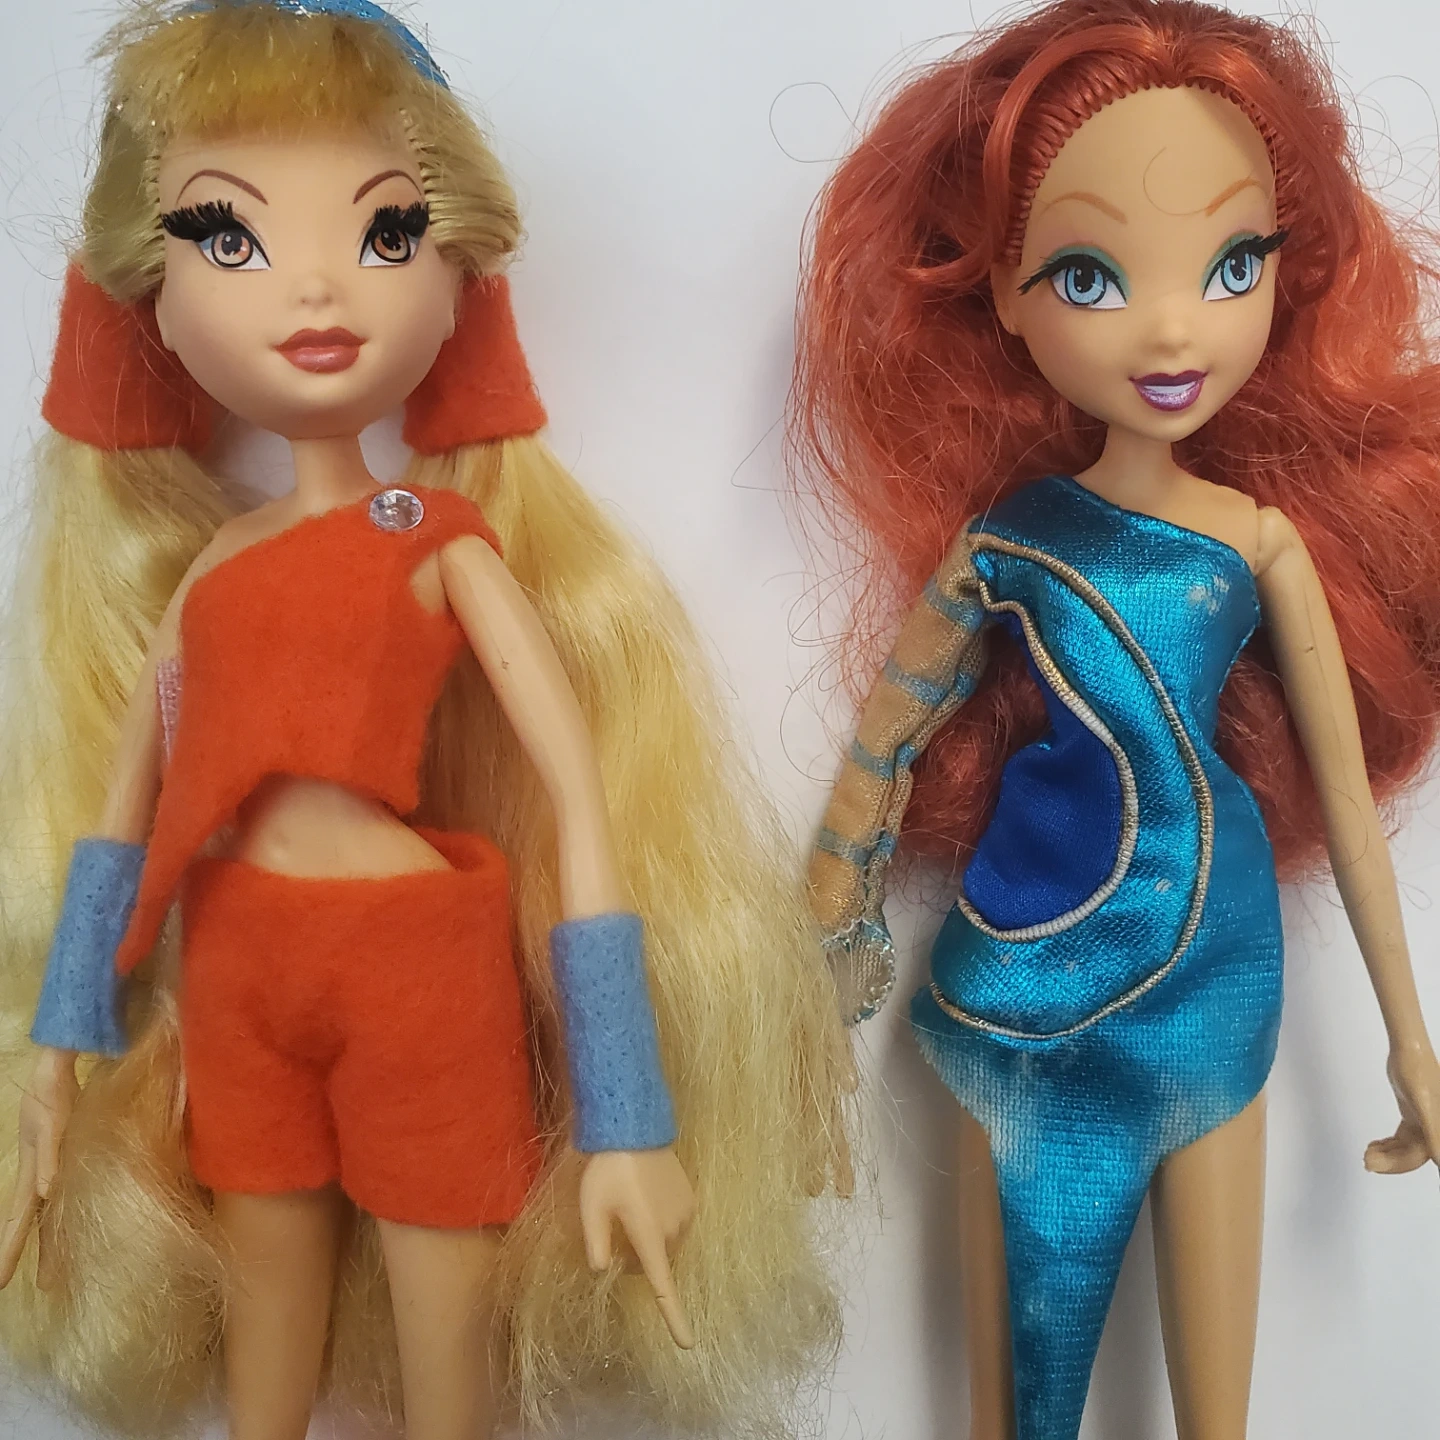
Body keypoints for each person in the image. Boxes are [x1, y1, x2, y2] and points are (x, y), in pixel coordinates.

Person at [0, 3, 849, 1436]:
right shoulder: (209, 564)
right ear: (148, 289)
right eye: (228, 236)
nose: (315, 285)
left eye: (386, 232)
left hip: (415, 976)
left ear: (457, 275)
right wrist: (53, 1067)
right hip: (239, 969)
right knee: (266, 1344)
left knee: (443, 1350)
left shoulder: (435, 538)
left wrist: (627, 1111)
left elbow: (578, 797)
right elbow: (119, 823)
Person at [793, 3, 1440, 1437]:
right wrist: (816, 958)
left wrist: (1412, 1039)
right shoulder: (1011, 543)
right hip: (1026, 983)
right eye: (1090, 274)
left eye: (1231, 265)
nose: (1171, 326)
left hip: (1219, 978)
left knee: (1220, 1410)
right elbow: (887, 741)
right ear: (1004, 297)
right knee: (1018, 1396)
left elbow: (1348, 807)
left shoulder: (1257, 542)